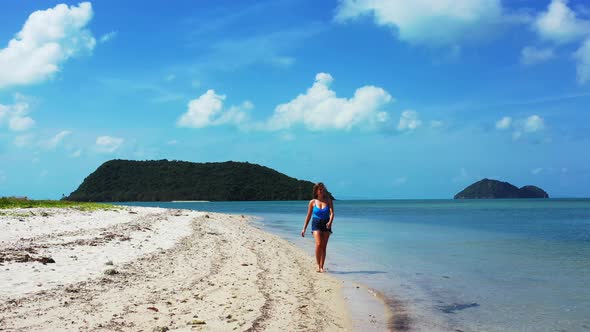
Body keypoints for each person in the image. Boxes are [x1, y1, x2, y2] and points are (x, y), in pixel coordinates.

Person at [301, 182, 334, 273]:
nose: (322, 190)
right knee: (319, 244)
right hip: (316, 223)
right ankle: (318, 265)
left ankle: (321, 267)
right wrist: (304, 228)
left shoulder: (328, 200)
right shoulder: (312, 202)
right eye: (320, 189)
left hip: (326, 224)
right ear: (316, 191)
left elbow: (332, 213)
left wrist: (330, 222)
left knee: (324, 247)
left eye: (323, 189)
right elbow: (308, 216)